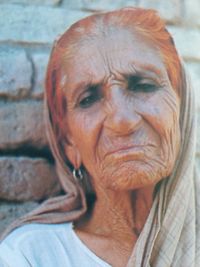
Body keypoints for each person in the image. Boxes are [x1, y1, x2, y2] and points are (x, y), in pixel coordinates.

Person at [0, 7, 199, 267]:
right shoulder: (32, 255)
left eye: (143, 86)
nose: (122, 121)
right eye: (88, 100)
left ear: (182, 111)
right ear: (68, 142)